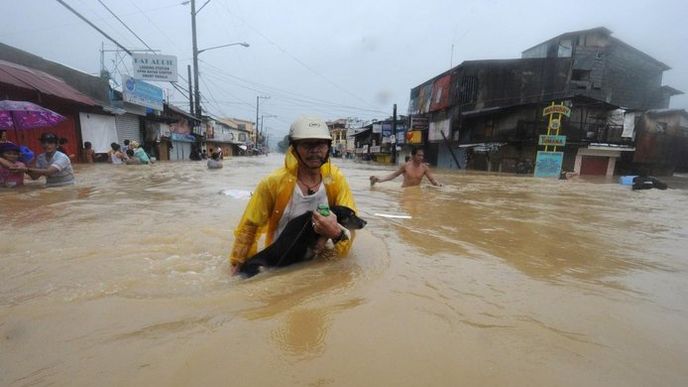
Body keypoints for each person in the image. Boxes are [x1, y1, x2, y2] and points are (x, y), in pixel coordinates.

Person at [229, 116, 357, 275]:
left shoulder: (336, 180)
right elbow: (249, 228)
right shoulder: (272, 183)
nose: (315, 150)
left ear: (328, 147)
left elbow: (350, 228)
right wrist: (238, 263)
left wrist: (335, 234)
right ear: (294, 148)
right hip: (281, 264)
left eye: (321, 144)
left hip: (321, 266)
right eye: (307, 144)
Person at [369, 147, 442, 187]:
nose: (421, 157)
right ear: (413, 156)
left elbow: (432, 181)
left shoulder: (425, 168)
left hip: (416, 191)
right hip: (405, 190)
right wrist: (380, 180)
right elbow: (394, 175)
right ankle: (375, 180)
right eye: (419, 155)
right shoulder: (406, 166)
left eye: (422, 155)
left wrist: (441, 186)